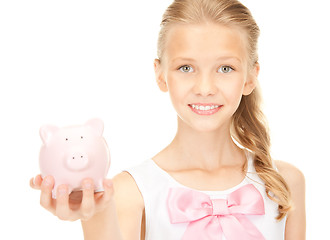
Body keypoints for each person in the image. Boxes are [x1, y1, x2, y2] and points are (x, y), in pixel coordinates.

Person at [30, 0, 306, 239]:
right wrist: (94, 215)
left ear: (250, 77)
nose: (205, 87)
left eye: (225, 68)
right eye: (186, 67)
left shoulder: (285, 182)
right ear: (161, 74)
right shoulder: (131, 190)